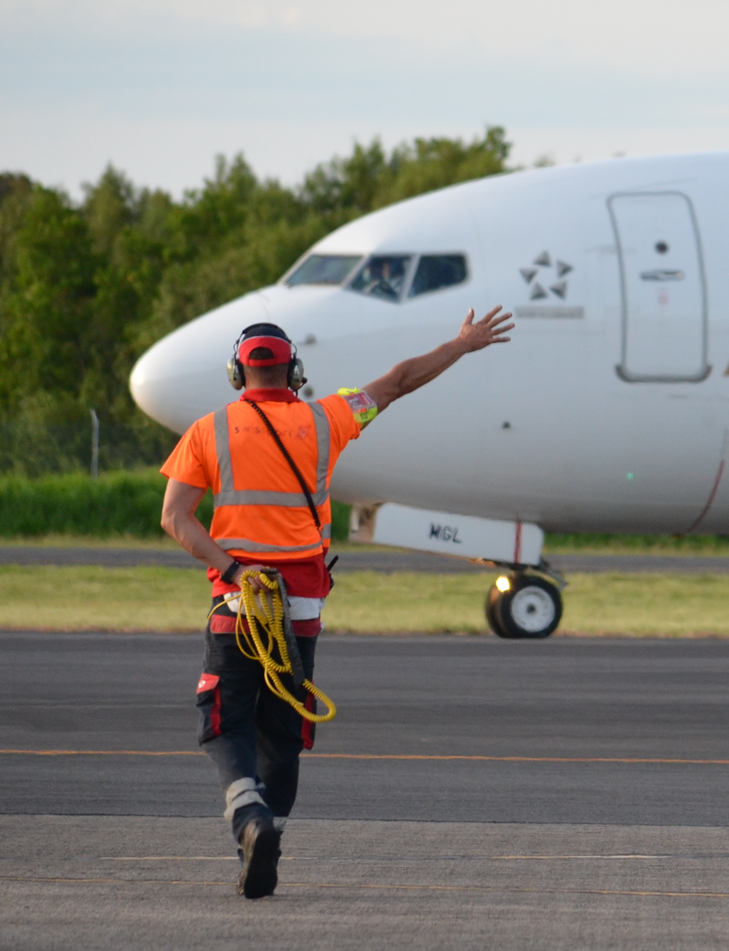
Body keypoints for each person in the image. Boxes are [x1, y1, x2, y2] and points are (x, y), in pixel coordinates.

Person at [159, 309, 512, 898]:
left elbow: (176, 519)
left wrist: (232, 567)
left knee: (223, 719)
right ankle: (270, 831)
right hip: (300, 611)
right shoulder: (329, 419)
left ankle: (249, 820)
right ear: (295, 371)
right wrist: (460, 344)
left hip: (240, 604)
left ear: (235, 374)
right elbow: (399, 381)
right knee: (285, 732)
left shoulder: (208, 430)